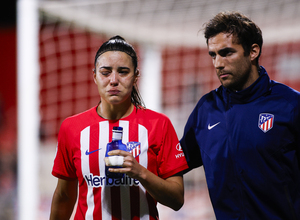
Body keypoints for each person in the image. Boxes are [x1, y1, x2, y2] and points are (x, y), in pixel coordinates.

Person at [50, 35, 189, 219]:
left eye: (123, 71)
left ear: (135, 77)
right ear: (94, 76)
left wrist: (139, 172)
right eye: (106, 72)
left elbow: (177, 199)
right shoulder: (72, 128)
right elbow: (65, 195)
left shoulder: (159, 125)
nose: (114, 80)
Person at [180, 11, 300, 219]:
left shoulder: (290, 105)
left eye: (226, 53)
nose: (218, 63)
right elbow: (176, 162)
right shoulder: (206, 110)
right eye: (213, 55)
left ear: (253, 51)